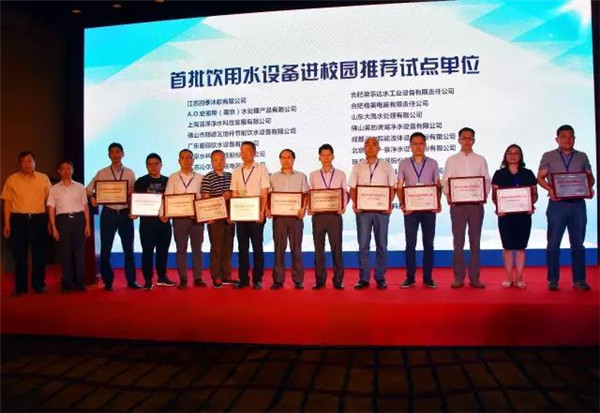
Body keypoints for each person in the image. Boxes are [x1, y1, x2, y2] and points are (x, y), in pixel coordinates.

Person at [537, 124, 595, 291]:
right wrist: (551, 190)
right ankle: (552, 280)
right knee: (553, 244)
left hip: (578, 205)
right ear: (557, 139)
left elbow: (590, 178)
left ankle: (579, 280)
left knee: (578, 244)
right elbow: (540, 177)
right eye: (564, 136)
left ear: (574, 139)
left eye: (571, 136)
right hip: (557, 205)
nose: (568, 139)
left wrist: (589, 187)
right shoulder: (548, 156)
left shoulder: (582, 156)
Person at [442, 127, 491, 289]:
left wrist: (483, 195)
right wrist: (449, 196)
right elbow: (446, 180)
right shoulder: (451, 160)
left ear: (474, 141)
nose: (467, 141)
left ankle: (475, 278)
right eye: (464, 138)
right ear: (459, 140)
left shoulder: (481, 159)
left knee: (475, 242)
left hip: (476, 205)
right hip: (458, 206)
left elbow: (486, 180)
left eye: (470, 138)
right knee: (458, 243)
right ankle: (458, 277)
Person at [87, 142, 138, 291]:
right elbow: (88, 189)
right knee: (106, 250)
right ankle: (108, 281)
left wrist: (131, 196)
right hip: (108, 213)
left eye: (118, 151)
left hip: (125, 213)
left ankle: (131, 281)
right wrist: (92, 197)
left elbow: (135, 193)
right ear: (109, 155)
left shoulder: (130, 173)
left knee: (129, 250)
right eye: (112, 152)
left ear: (123, 154)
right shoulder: (102, 173)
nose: (115, 154)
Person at [349, 136, 397, 290]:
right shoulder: (357, 167)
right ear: (363, 148)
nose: (370, 147)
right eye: (367, 144)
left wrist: (388, 204)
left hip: (381, 212)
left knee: (381, 245)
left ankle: (380, 277)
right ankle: (363, 278)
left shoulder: (387, 166)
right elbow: (352, 188)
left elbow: (393, 188)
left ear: (379, 148)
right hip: (363, 212)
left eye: (374, 144)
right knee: (363, 245)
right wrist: (356, 203)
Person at [1, 151, 52, 295]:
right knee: (19, 255)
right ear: (19, 164)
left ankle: (39, 284)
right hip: (18, 220)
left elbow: (50, 202)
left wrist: (50, 222)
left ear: (35, 162)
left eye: (30, 161)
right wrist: (7, 223)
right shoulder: (12, 179)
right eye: (23, 162)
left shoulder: (43, 178)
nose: (27, 164)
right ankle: (20, 287)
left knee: (39, 254)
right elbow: (7, 202)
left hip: (38, 220)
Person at [396, 132, 441, 289]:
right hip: (411, 210)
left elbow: (437, 184)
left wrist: (437, 202)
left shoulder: (433, 163)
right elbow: (399, 186)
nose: (418, 146)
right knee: (410, 243)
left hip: (428, 209)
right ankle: (410, 277)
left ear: (425, 145)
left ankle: (428, 278)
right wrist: (402, 203)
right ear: (410, 146)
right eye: (414, 143)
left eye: (420, 143)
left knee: (429, 243)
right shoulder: (403, 164)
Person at [491, 144, 538, 289]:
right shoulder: (499, 174)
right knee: (507, 247)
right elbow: (494, 196)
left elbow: (534, 194)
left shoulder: (528, 173)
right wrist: (498, 207)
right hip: (505, 216)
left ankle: (519, 278)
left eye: (516, 153)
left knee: (520, 248)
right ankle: (508, 277)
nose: (512, 155)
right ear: (505, 156)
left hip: (523, 216)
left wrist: (531, 205)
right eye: (509, 153)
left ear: (520, 156)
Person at [229, 141, 269, 289]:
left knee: (257, 247)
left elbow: (264, 192)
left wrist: (262, 211)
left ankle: (257, 279)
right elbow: (234, 193)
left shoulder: (261, 169)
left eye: (247, 150)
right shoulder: (236, 171)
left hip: (256, 214)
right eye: (242, 151)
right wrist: (234, 213)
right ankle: (243, 279)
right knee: (242, 248)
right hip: (241, 215)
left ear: (254, 152)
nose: (244, 153)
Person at [267, 149, 309, 290]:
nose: (286, 160)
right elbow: (268, 196)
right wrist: (268, 208)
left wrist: (303, 208)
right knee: (279, 249)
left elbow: (306, 195)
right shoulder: (272, 177)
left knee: (296, 249)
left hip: (296, 218)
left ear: (293, 159)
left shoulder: (301, 176)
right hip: (279, 218)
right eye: (283, 157)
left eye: (288, 157)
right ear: (280, 160)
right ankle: (278, 280)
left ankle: (298, 280)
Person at [133, 153, 176, 290]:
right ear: (146, 166)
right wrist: (134, 211)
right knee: (147, 252)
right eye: (150, 164)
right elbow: (136, 200)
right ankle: (147, 279)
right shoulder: (141, 181)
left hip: (164, 222)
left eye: (156, 163)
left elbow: (172, 200)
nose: (153, 166)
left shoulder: (168, 181)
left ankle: (162, 277)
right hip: (147, 224)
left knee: (163, 252)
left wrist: (169, 214)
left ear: (161, 165)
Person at [164, 149, 206, 289]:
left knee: (197, 249)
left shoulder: (201, 177)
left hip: (196, 218)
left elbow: (204, 197)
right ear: (179, 161)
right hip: (179, 219)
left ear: (193, 160)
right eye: (183, 158)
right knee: (181, 249)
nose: (186, 160)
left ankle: (198, 277)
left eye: (189, 157)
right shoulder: (173, 177)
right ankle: (183, 278)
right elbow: (167, 196)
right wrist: (164, 213)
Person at [47, 161, 91, 292]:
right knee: (65, 254)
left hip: (78, 220)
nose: (66, 171)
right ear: (59, 171)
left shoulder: (80, 187)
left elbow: (85, 207)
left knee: (79, 253)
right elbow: (51, 208)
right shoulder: (54, 189)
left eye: (68, 168)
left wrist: (87, 225)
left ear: (72, 170)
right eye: (63, 169)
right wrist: (54, 227)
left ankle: (80, 282)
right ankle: (67, 283)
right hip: (62, 221)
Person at [308, 144, 347, 290]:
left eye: (328, 155)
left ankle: (338, 280)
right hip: (318, 216)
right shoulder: (313, 175)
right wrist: (310, 206)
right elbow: (310, 193)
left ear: (333, 157)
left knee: (337, 248)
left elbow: (344, 193)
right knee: (319, 249)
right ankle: (320, 280)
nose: (326, 158)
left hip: (334, 216)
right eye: (323, 155)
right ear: (319, 157)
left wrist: (343, 205)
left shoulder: (341, 174)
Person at [200, 150, 235, 288]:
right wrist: (209, 216)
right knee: (216, 248)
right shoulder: (207, 177)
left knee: (228, 247)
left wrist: (230, 194)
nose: (219, 162)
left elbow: (236, 195)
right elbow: (205, 198)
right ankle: (216, 277)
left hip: (230, 218)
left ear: (225, 160)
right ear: (211, 162)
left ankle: (226, 276)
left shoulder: (231, 176)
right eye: (216, 160)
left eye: (221, 159)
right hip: (215, 219)